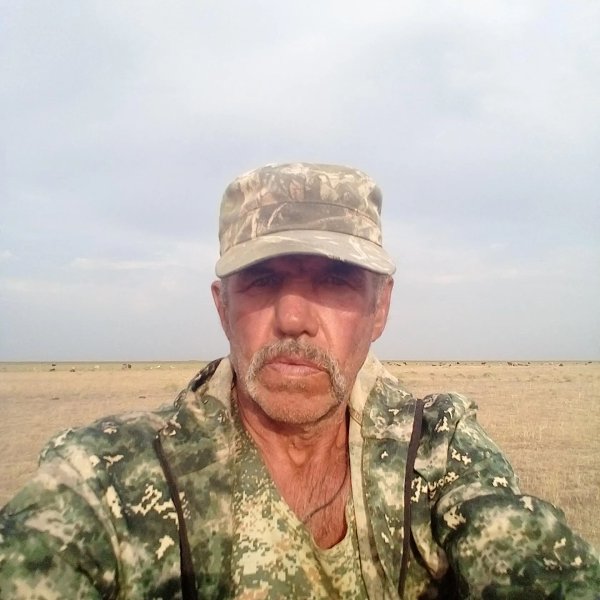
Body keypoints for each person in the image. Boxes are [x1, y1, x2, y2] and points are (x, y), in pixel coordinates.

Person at [0, 163, 598, 599]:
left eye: (335, 281)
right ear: (222, 307)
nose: (292, 317)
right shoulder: (113, 474)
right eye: (261, 281)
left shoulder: (438, 451)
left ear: (381, 309)